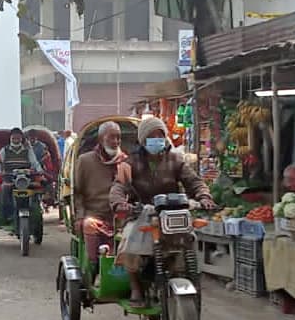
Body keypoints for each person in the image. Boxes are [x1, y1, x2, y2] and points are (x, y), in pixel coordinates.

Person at [110, 116, 215, 306]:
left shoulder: (175, 159)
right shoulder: (129, 162)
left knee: (188, 242)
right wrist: (120, 203)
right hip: (142, 212)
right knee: (129, 243)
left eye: (160, 135)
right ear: (143, 139)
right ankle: (136, 287)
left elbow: (194, 182)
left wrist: (204, 197)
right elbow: (118, 186)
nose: (156, 139)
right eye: (151, 136)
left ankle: (185, 279)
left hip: (173, 213)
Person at [74, 121, 129, 279]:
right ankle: (93, 271)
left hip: (121, 217)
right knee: (89, 224)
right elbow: (78, 193)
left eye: (118, 138)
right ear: (100, 139)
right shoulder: (85, 161)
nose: (116, 142)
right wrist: (79, 216)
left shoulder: (125, 162)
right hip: (95, 215)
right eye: (112, 138)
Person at [0, 127, 43, 219]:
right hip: (10, 178)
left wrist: (39, 170)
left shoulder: (28, 150)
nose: (16, 140)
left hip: (26, 178)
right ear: (10, 138)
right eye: (14, 138)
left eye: (18, 138)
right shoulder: (4, 150)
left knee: (37, 189)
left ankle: (35, 211)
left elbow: (34, 162)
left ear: (21, 138)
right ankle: (7, 214)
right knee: (5, 188)